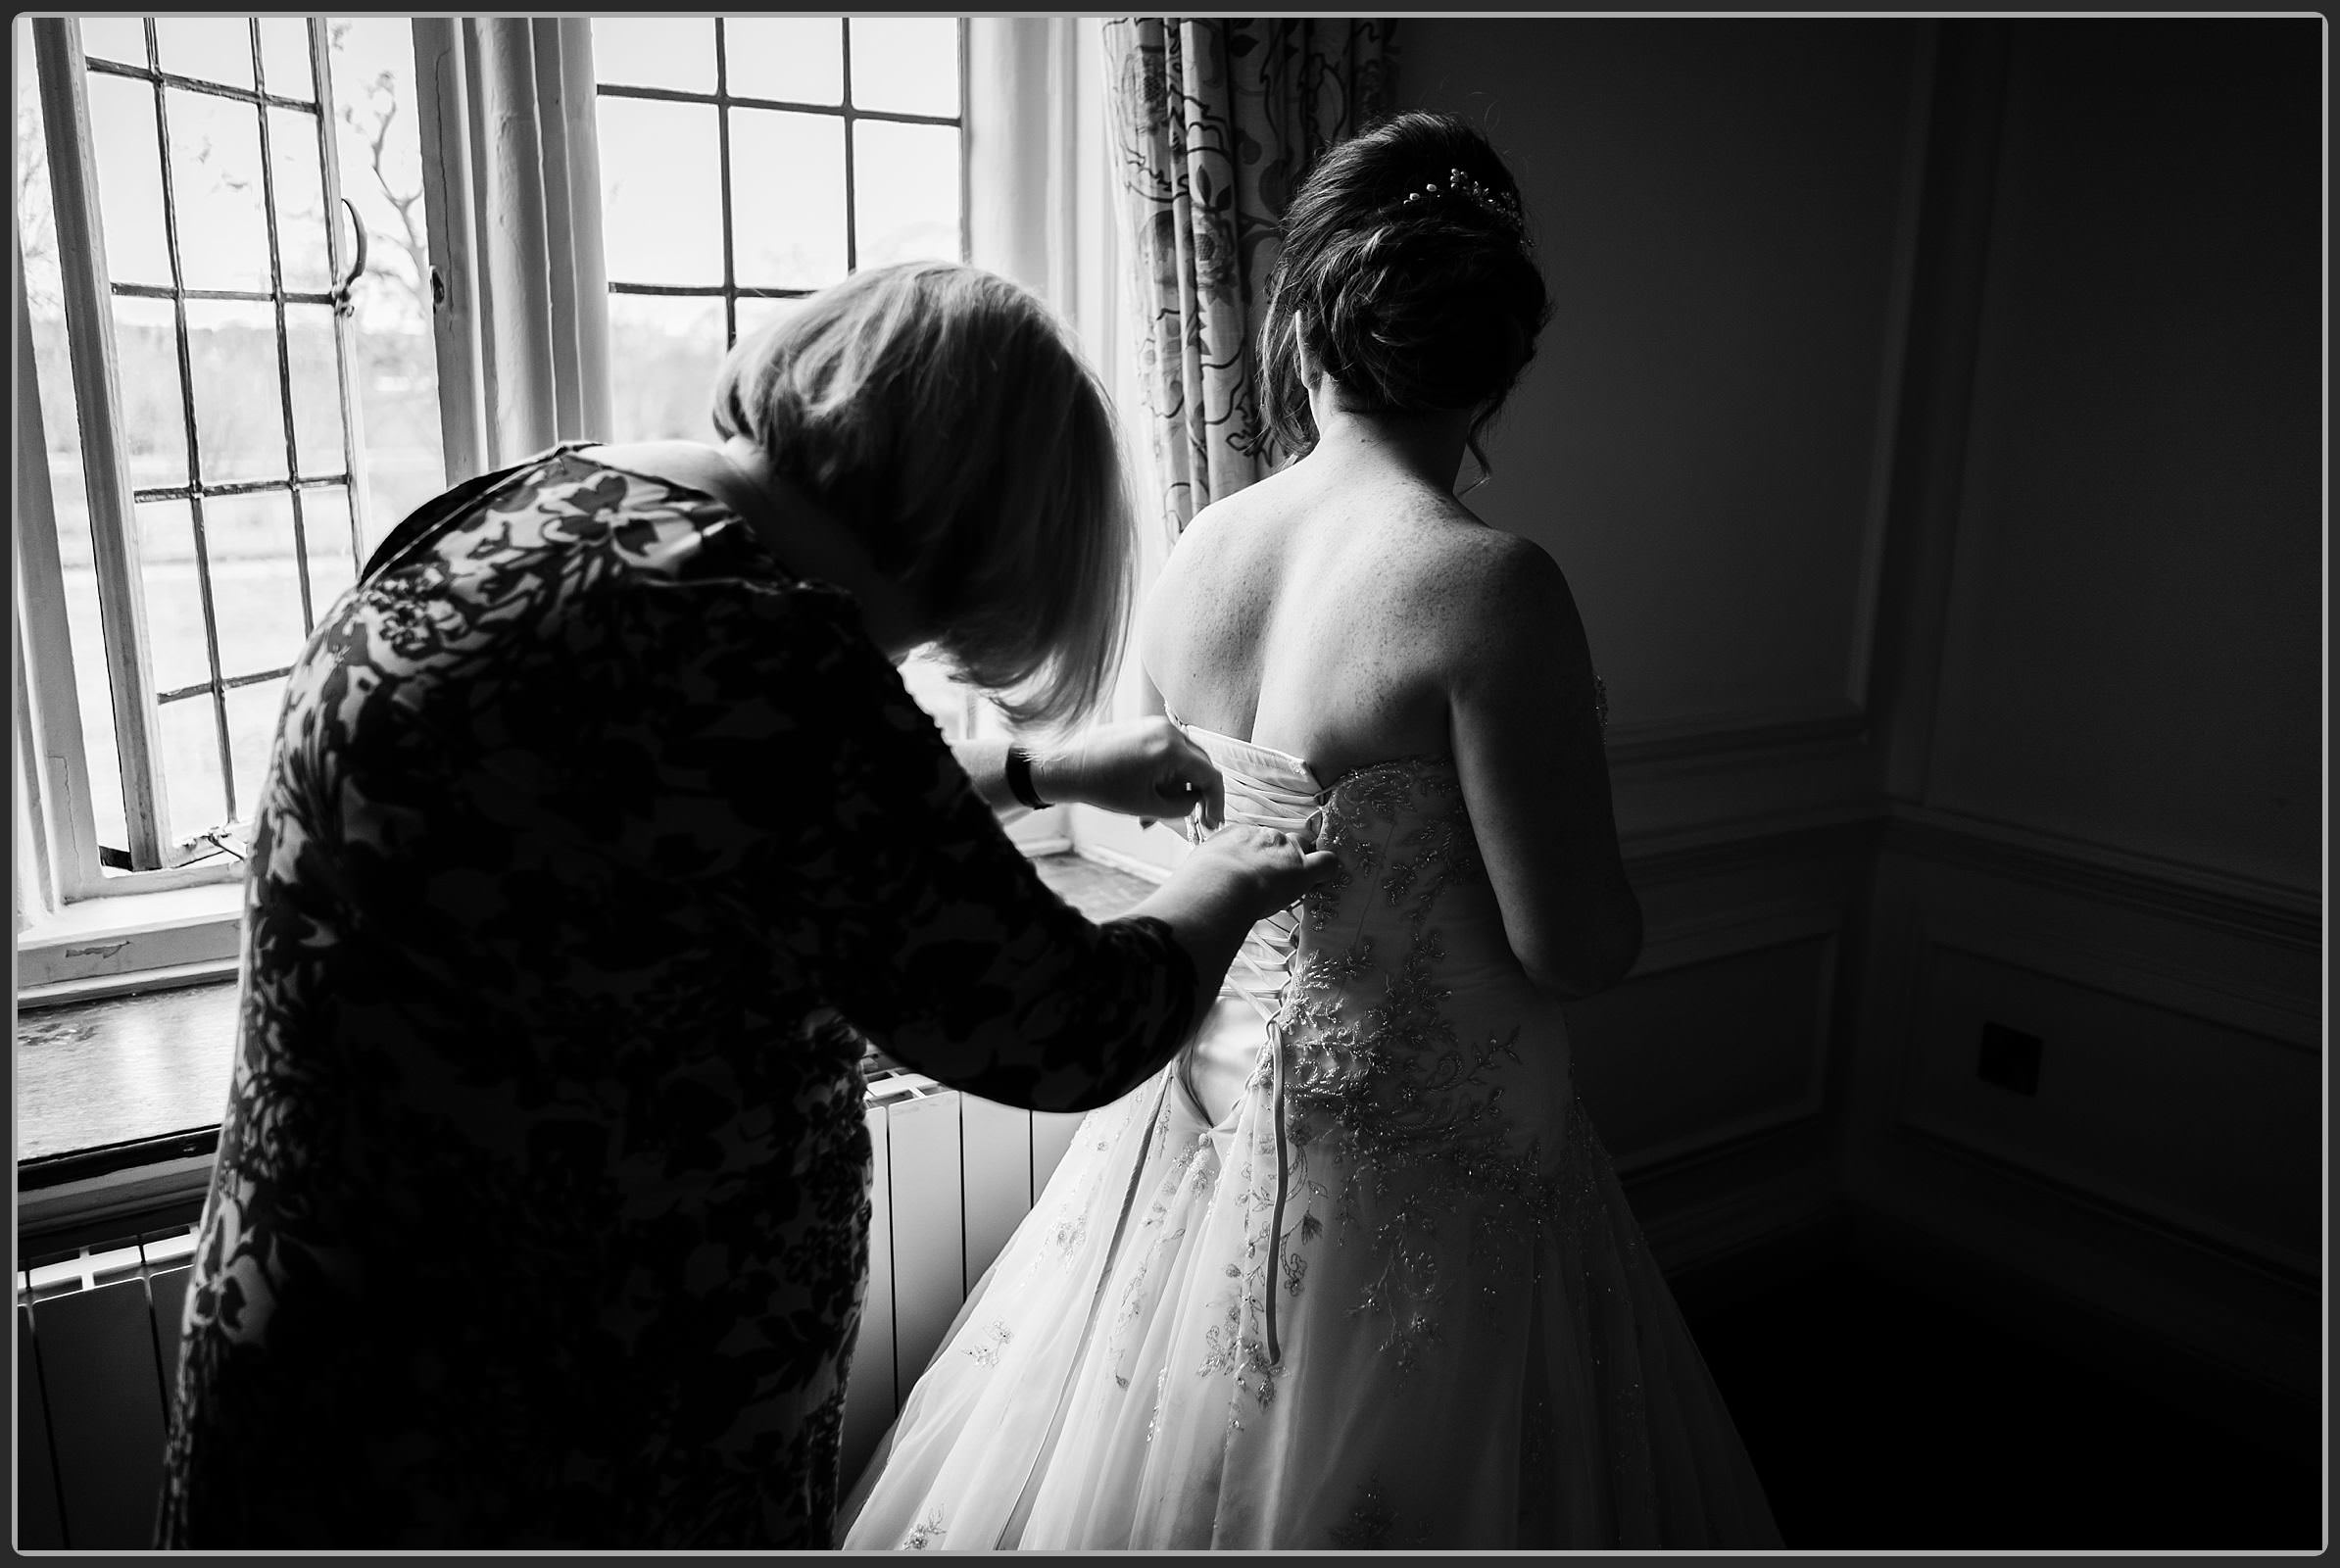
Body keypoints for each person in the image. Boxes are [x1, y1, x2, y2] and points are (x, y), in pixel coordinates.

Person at [154, 261, 1332, 1549]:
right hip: (548, 1413)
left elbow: (689, 812)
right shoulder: (762, 636)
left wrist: (1035, 766)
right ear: (965, 533)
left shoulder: (541, 508)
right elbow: (1067, 1025)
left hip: (315, 1318)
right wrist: (1231, 880)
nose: (917, 660)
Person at [840, 114, 1782, 1549]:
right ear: (1496, 367)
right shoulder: (1490, 586)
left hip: (1197, 1106)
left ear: (1304, 334)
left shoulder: (1208, 547)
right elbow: (1574, 947)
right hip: (1430, 1165)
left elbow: (1186, 831)